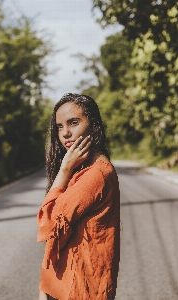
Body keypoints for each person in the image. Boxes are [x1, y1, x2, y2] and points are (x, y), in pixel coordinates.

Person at [37, 93, 120, 300]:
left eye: (73, 123)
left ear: (94, 125)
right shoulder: (82, 169)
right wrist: (44, 287)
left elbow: (48, 224)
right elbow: (56, 236)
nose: (65, 133)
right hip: (62, 284)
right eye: (59, 126)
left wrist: (63, 170)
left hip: (80, 288)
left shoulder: (95, 175)